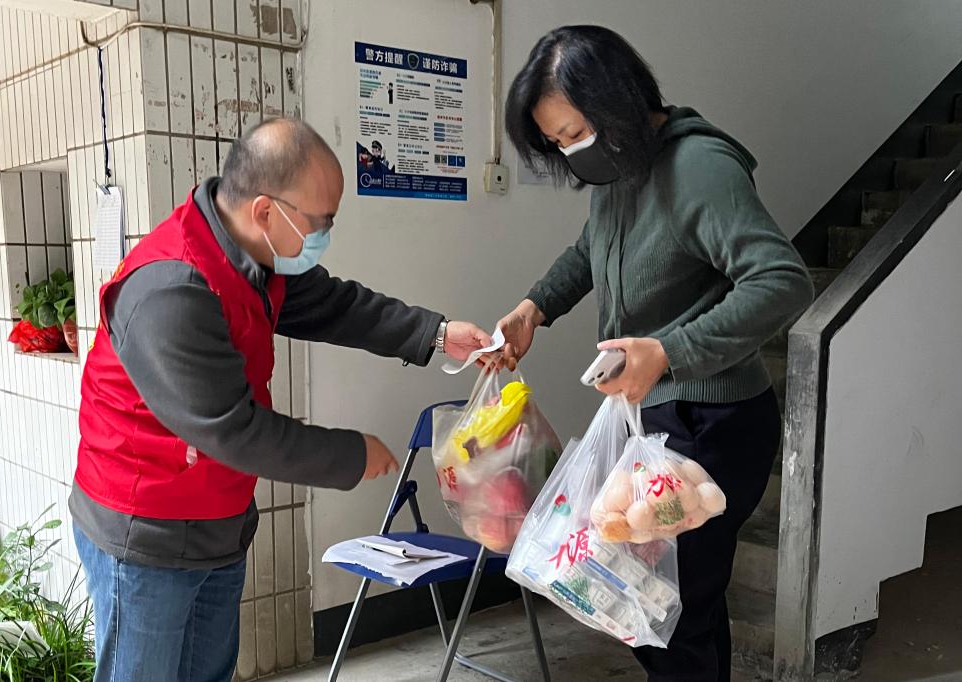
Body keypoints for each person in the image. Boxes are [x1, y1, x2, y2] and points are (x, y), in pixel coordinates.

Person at [71, 117, 491, 682]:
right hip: (146, 531)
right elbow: (234, 430)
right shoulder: (171, 290)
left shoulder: (251, 256)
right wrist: (352, 454)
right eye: (322, 222)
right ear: (266, 211)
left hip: (218, 520)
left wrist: (436, 334)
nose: (326, 236)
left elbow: (338, 306)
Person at [492, 26, 815, 681]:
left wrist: (668, 351)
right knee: (673, 605)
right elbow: (592, 248)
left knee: (662, 610)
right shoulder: (619, 168)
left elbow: (783, 281)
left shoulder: (699, 169)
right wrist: (535, 308)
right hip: (655, 419)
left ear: (618, 101)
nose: (571, 152)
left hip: (711, 422)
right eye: (558, 142)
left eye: (575, 132)